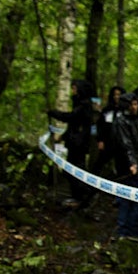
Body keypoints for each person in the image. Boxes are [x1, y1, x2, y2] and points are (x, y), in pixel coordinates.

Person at [110, 92, 138, 243]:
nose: (135, 107)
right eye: (132, 104)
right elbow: (125, 144)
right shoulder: (121, 121)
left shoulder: (136, 120)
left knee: (126, 197)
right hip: (129, 167)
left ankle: (124, 230)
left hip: (136, 164)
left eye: (136, 104)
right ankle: (133, 230)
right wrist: (132, 163)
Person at [47, 79, 95, 208]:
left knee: (76, 171)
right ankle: (77, 196)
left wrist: (54, 113)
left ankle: (83, 196)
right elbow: (73, 124)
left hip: (79, 145)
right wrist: (63, 136)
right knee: (70, 171)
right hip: (74, 143)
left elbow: (71, 117)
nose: (73, 91)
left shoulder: (85, 106)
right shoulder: (79, 103)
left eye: (74, 88)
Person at [92, 85, 125, 178]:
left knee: (121, 166)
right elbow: (100, 126)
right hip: (107, 142)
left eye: (119, 95)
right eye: (115, 95)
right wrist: (100, 140)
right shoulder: (107, 110)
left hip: (121, 143)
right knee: (99, 164)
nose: (116, 97)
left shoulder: (125, 111)